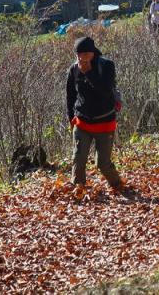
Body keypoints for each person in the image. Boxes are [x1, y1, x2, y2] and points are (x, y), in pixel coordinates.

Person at [65, 37, 125, 199]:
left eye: (85, 54)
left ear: (93, 53)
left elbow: (105, 91)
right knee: (78, 158)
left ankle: (118, 185)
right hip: (82, 120)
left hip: (104, 121)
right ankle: (78, 191)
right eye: (78, 54)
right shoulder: (73, 69)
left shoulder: (106, 66)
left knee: (102, 163)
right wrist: (71, 117)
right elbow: (70, 95)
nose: (81, 57)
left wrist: (89, 72)